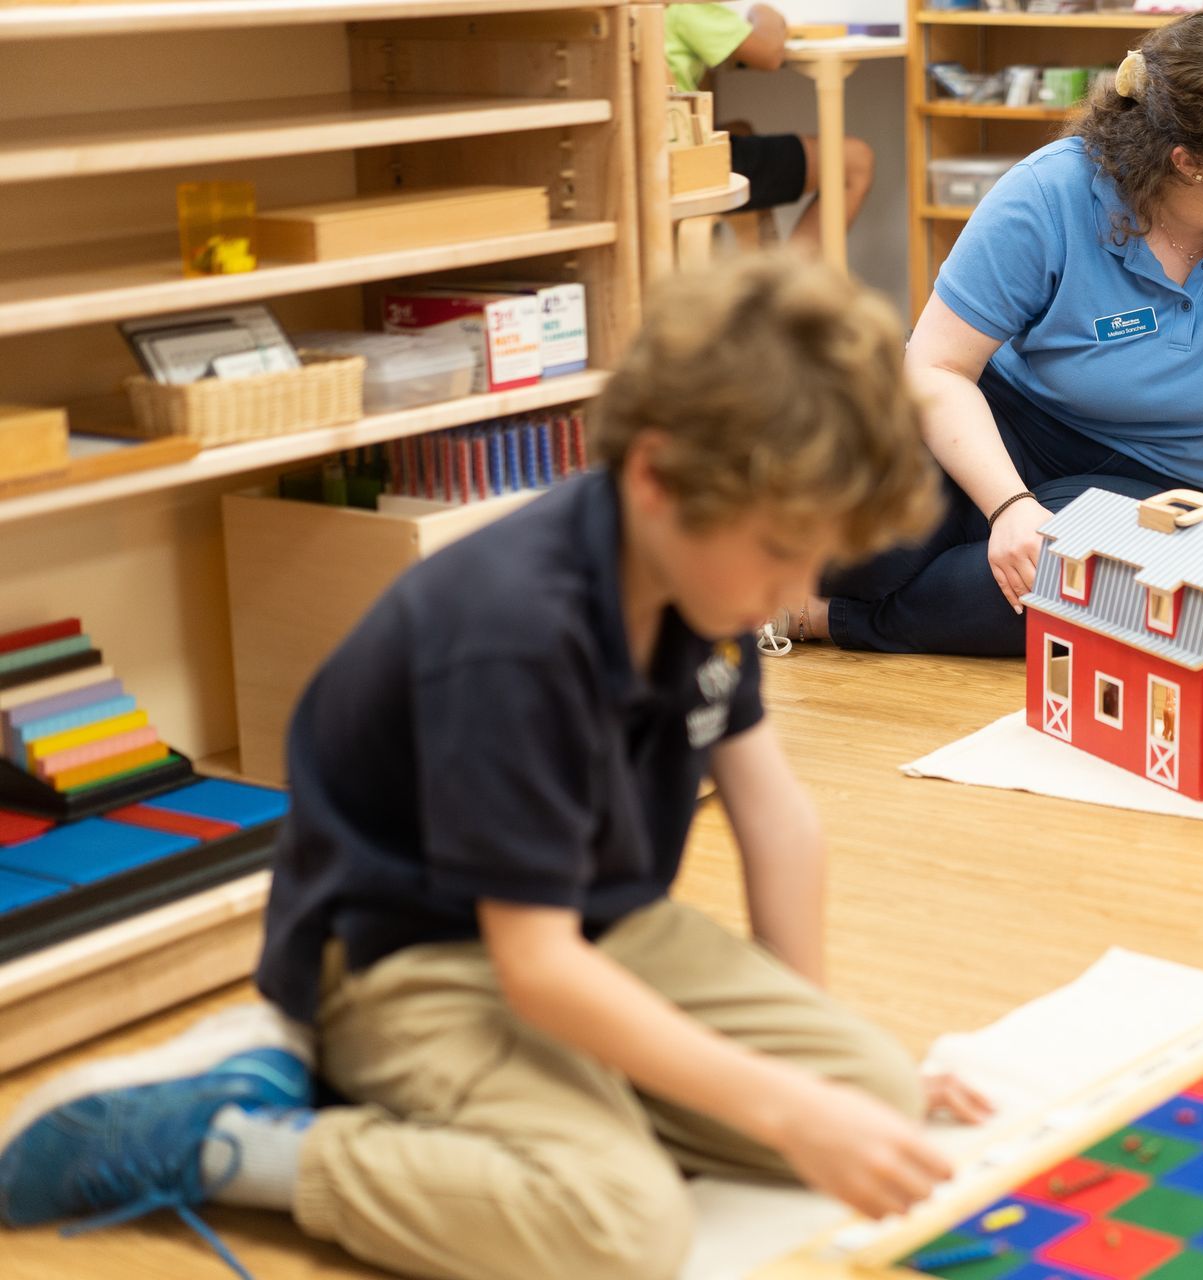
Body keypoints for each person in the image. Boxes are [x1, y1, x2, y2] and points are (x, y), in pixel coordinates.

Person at [0, 258, 988, 1280]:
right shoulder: (515, 632)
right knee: (621, 1227)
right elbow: (535, 966)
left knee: (871, 1095)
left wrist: (805, 1063)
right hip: (415, 954)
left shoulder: (705, 578)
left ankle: (559, 1104)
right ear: (655, 476)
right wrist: (780, 1099)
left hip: (599, 925)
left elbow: (774, 813)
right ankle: (242, 1132)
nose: (791, 591)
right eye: (781, 552)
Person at [761, 6, 1203, 658]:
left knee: (1112, 590)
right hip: (1005, 423)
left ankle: (828, 617)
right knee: (863, 554)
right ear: (1188, 161)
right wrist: (1008, 505)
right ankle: (873, 575)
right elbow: (935, 367)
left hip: (1171, 486)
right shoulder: (1053, 191)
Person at [665, 1, 876, 253]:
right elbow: (769, 52)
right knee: (854, 160)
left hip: (650, 164)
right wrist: (763, 11)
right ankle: (789, 285)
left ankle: (766, 261)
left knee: (740, 128)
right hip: (684, 171)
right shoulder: (683, 8)